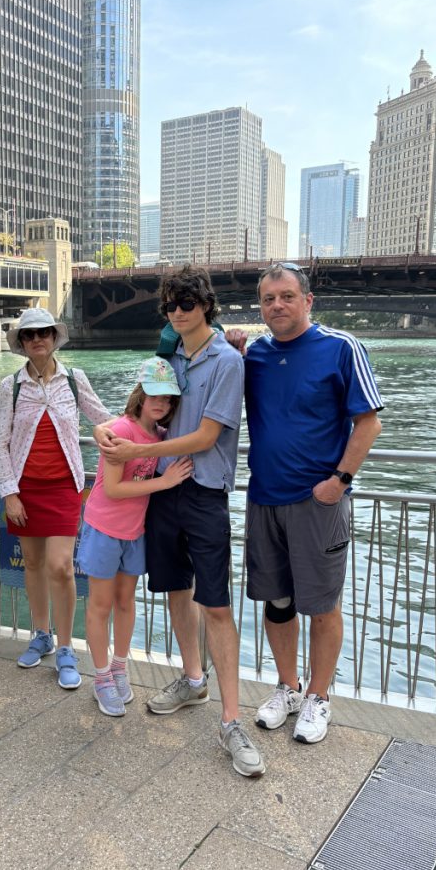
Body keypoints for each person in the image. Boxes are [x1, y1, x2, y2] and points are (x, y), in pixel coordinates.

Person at [96, 266, 265, 777]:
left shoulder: (227, 361)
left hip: (203, 490)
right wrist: (109, 429)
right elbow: (140, 409)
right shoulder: (167, 357)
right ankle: (193, 679)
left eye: (188, 301)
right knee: (175, 591)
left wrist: (144, 452)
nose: (178, 310)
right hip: (163, 494)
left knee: (215, 604)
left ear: (205, 304)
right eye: (171, 302)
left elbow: (208, 437)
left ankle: (233, 720)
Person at [246, 263, 383, 744]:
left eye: (286, 296)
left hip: (317, 501)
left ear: (308, 301)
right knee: (277, 600)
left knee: (322, 605)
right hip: (263, 497)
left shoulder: (341, 348)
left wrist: (340, 480)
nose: (277, 305)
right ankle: (288, 686)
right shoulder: (254, 355)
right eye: (268, 298)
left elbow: (368, 423)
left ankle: (319, 697)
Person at [0, 307, 111, 690]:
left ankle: (64, 647)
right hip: (24, 489)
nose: (38, 339)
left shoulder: (74, 380)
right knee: (32, 563)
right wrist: (10, 493)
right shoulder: (10, 387)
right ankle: (40, 633)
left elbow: (102, 420)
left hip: (64, 487)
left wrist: (146, 431)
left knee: (60, 566)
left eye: (44, 332)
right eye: (29, 335)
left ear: (55, 337)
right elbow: (1, 444)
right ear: (22, 344)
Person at [79, 358, 192, 716]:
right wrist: (165, 481)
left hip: (134, 531)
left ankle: (119, 668)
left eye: (168, 398)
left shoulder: (158, 436)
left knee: (127, 602)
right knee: (100, 604)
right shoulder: (123, 432)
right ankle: (100, 677)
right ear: (141, 396)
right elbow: (112, 488)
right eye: (154, 396)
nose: (161, 404)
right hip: (104, 528)